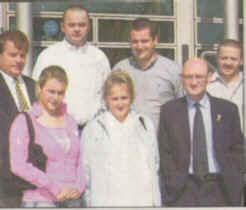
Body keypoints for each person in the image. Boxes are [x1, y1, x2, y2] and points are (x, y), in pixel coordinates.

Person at [158, 57, 244, 206]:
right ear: (182, 79)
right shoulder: (169, 111)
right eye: (189, 77)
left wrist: (234, 177)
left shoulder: (228, 110)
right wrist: (173, 181)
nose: (194, 82)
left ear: (209, 78)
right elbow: (165, 152)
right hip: (183, 189)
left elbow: (238, 149)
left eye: (199, 76)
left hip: (220, 188)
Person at [9, 66, 86, 207]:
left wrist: (79, 187)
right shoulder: (25, 120)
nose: (55, 98)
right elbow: (18, 165)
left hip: (72, 200)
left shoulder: (70, 120)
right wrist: (53, 187)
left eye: (60, 93)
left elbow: (80, 159)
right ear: (39, 88)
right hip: (40, 200)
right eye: (51, 91)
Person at [81, 70, 161, 207]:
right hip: (108, 201)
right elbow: (85, 171)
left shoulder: (144, 124)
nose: (120, 103)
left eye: (124, 98)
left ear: (132, 97)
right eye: (114, 99)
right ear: (106, 99)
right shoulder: (94, 128)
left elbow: (154, 165)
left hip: (140, 200)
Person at [32, 5, 111, 131]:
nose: (77, 29)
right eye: (72, 25)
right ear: (63, 27)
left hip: (93, 130)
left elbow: (107, 95)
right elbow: (36, 93)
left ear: (88, 26)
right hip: (57, 129)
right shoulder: (48, 56)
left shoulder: (99, 58)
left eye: (81, 25)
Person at [113, 18, 183, 131]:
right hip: (128, 140)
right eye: (135, 41)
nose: (139, 46)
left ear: (155, 40)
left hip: (162, 142)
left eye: (144, 41)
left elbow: (182, 108)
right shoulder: (120, 70)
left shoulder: (173, 70)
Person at [0, 30, 36, 207]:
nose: (19, 60)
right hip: (4, 181)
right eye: (12, 55)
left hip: (33, 178)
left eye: (22, 55)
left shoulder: (33, 86)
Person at [207, 39, 243, 127]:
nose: (228, 63)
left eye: (233, 59)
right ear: (217, 59)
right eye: (224, 58)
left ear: (241, 61)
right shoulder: (206, 86)